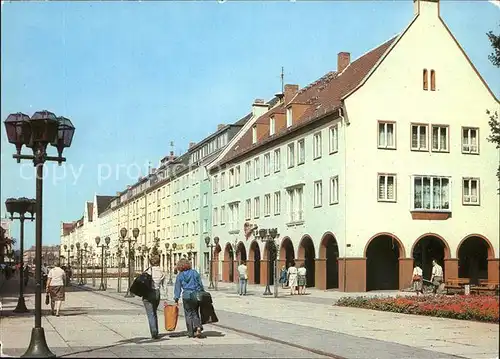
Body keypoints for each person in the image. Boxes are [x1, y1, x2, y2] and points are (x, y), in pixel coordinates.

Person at [173, 258, 204, 338]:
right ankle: (198, 328)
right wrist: (202, 292)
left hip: (186, 295)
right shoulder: (194, 273)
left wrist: (176, 299)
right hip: (195, 294)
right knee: (195, 312)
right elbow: (200, 284)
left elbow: (177, 288)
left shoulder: (180, 276)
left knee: (188, 314)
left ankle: (190, 332)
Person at [142, 254, 165, 339]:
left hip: (148, 293)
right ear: (159, 261)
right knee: (154, 312)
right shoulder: (162, 271)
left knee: (150, 313)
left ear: (151, 262)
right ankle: (156, 330)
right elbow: (163, 285)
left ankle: (154, 331)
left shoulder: (148, 271)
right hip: (157, 293)